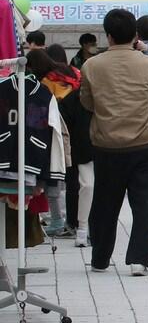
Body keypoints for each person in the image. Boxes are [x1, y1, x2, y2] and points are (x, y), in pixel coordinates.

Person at [79, 9, 148, 276]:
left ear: (107, 36)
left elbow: (87, 102)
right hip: (145, 143)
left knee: (105, 203)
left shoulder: (91, 66)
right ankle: (139, 260)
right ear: (135, 35)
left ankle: (100, 258)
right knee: (143, 204)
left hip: (107, 144)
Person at [46, 45, 93, 245]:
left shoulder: (50, 79)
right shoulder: (75, 79)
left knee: (81, 186)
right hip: (91, 147)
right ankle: (82, 227)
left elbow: (60, 117)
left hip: (76, 146)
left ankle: (77, 225)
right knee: (87, 186)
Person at [25, 50, 72, 238]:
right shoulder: (66, 71)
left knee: (52, 179)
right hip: (74, 124)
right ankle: (66, 219)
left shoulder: (44, 83)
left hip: (54, 127)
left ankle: (57, 220)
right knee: (65, 180)